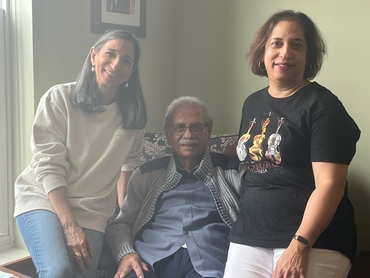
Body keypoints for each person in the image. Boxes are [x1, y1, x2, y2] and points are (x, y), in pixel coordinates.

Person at [223, 10, 361, 278]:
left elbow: (330, 185)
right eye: (277, 43)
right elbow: (252, 158)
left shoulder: (323, 105)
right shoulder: (252, 103)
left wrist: (300, 245)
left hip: (315, 239)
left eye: (296, 45)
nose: (285, 52)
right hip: (251, 234)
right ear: (262, 51)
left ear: (307, 55)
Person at [14, 29, 147, 278]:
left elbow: (126, 171)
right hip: (43, 198)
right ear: (93, 55)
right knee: (58, 271)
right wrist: (70, 226)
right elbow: (48, 167)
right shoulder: (59, 98)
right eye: (111, 53)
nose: (117, 63)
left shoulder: (133, 119)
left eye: (126, 60)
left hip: (93, 212)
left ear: (131, 71)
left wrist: (123, 224)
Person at [106, 96, 244, 278]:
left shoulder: (232, 171)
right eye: (180, 127)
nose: (188, 135)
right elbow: (121, 223)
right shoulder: (146, 173)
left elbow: (252, 221)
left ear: (208, 130)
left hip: (209, 263)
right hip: (149, 263)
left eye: (196, 127)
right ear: (167, 132)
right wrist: (126, 254)